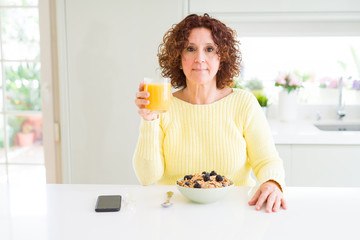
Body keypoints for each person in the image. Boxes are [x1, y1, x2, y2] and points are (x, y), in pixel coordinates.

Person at [133, 14, 287, 213]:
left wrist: (272, 183)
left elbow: (266, 160)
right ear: (179, 58)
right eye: (190, 49)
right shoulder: (163, 106)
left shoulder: (243, 102)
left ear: (221, 57)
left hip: (235, 212)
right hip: (175, 211)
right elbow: (147, 177)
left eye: (209, 49)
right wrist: (149, 121)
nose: (200, 58)